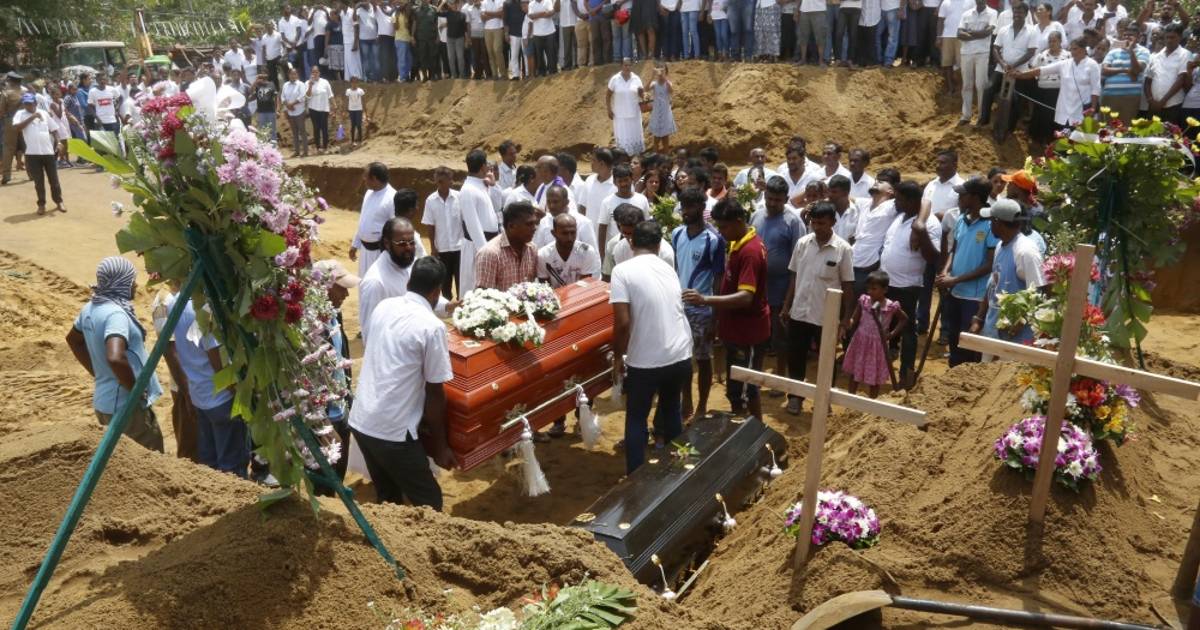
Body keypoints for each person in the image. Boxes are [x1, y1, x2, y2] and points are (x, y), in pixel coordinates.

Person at [350, 256, 458, 510]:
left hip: (361, 421)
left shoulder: (384, 307)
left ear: (409, 283)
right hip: (393, 432)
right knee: (430, 503)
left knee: (388, 499)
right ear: (437, 292)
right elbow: (435, 391)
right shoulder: (432, 327)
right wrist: (441, 447)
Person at [611, 220, 693, 473]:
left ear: (631, 243)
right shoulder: (668, 268)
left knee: (636, 417)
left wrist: (617, 357)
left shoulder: (622, 271)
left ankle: (635, 477)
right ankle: (680, 469)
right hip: (680, 354)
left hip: (646, 361)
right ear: (659, 245)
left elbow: (622, 323)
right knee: (672, 410)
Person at [65, 257, 165, 452]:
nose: (135, 285)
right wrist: (136, 390)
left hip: (104, 402)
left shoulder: (90, 308)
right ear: (121, 282)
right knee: (148, 459)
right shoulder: (115, 315)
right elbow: (115, 357)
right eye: (131, 280)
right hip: (125, 406)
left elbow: (73, 340)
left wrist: (99, 372)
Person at [683, 197, 770, 418]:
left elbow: (745, 297)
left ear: (739, 221)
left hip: (748, 334)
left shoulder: (750, 252)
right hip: (735, 331)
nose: (721, 233)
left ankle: (755, 434)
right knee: (735, 391)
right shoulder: (738, 244)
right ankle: (742, 431)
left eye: (724, 227)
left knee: (746, 390)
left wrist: (705, 300)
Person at [778, 201, 854, 413]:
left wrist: (845, 319)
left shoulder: (843, 249)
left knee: (826, 359)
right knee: (796, 356)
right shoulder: (802, 244)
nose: (817, 227)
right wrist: (786, 305)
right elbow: (794, 277)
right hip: (800, 311)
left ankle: (825, 400)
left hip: (825, 315)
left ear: (832, 222)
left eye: (822, 223)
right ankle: (795, 397)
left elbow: (848, 285)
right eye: (814, 223)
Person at [172, 297, 249, 477]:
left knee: (209, 464)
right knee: (232, 466)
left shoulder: (175, 301)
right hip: (220, 397)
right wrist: (234, 389)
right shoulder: (204, 308)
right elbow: (216, 356)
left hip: (199, 394)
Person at [669, 187, 725, 421]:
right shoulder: (676, 234)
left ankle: (702, 405)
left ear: (702, 208)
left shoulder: (714, 240)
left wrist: (715, 318)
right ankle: (687, 402)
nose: (685, 211)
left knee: (703, 359)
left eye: (690, 207)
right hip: (678, 308)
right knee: (682, 359)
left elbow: (719, 279)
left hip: (702, 310)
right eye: (683, 206)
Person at [879, 180, 941, 387]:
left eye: (899, 199)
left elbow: (933, 257)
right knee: (882, 325)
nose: (895, 203)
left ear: (911, 201)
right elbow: (926, 201)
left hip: (906, 286)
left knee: (907, 329)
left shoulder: (929, 224)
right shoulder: (901, 216)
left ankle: (906, 373)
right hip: (887, 281)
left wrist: (921, 231)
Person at [750, 176, 804, 393]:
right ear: (765, 195)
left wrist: (790, 298)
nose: (772, 203)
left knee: (780, 337)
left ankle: (780, 380)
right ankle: (755, 376)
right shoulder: (756, 216)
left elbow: (798, 262)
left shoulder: (793, 222)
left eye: (778, 200)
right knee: (757, 336)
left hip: (781, 288)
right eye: (770, 198)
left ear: (786, 199)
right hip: (756, 287)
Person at [935, 176, 996, 366]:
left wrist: (955, 280)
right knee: (953, 339)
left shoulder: (990, 224)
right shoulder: (961, 219)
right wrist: (946, 272)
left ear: (975, 197)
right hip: (955, 292)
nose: (959, 198)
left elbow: (989, 265)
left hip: (975, 297)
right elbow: (955, 250)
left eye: (963, 195)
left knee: (968, 343)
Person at [360, 217, 451, 341]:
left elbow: (423, 297)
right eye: (402, 243)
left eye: (412, 242)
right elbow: (370, 334)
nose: (408, 248)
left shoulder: (409, 262)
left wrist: (448, 306)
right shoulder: (375, 282)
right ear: (387, 243)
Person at [970, 199, 1046, 346]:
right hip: (993, 332)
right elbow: (993, 285)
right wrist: (979, 318)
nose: (989, 225)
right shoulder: (1000, 245)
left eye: (991, 221)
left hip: (1016, 340)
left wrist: (1019, 322)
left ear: (998, 222)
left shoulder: (1025, 251)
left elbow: (1040, 292)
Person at [1007, 35, 1101, 129]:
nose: (1072, 52)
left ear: (1083, 49)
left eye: (1075, 49)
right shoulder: (1065, 64)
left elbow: (1095, 89)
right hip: (1065, 108)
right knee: (1062, 135)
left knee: (1080, 135)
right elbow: (1041, 70)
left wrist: (1092, 108)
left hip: (1082, 108)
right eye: (1071, 49)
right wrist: (1019, 75)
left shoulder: (1092, 65)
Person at [843, 270, 907, 397]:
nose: (870, 292)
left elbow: (904, 319)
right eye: (868, 288)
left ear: (885, 290)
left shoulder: (890, 306)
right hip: (860, 342)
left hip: (877, 346)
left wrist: (892, 334)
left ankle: (872, 401)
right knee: (855, 373)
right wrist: (847, 324)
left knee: (874, 377)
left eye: (874, 289)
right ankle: (850, 398)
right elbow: (854, 319)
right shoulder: (864, 301)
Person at [978, 2, 1037, 130]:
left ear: (1026, 14)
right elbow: (995, 48)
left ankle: (1010, 128)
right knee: (988, 89)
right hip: (1001, 69)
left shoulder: (1032, 31)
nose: (1017, 14)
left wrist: (1014, 65)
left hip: (1020, 72)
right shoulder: (1004, 29)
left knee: (1016, 99)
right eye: (1015, 12)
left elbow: (1031, 52)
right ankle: (984, 120)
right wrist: (1003, 63)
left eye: (1020, 12)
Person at [12, 93, 65, 215]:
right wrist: (32, 117)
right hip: (32, 153)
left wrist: (59, 142)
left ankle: (59, 201)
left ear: (35, 103)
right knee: (38, 182)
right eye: (26, 104)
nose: (28, 106)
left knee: (54, 180)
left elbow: (54, 129)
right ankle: (41, 204)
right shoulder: (20, 114)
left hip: (48, 152)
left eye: (30, 103)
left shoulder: (44, 113)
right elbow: (17, 128)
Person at [458, 149, 501, 293]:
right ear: (483, 166)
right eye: (487, 163)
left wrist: (493, 185)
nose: (489, 166)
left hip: (491, 243)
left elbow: (497, 206)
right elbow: (472, 224)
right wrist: (485, 251)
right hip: (477, 246)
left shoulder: (482, 184)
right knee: (475, 288)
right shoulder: (468, 189)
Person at [474, 200, 539, 290]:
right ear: (511, 226)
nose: (534, 228)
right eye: (529, 224)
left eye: (535, 223)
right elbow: (484, 295)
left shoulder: (532, 249)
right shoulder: (490, 254)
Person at [422, 167, 463, 298]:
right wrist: (433, 248)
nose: (440, 183)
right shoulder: (430, 200)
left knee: (461, 282)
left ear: (450, 181)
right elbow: (430, 225)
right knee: (445, 284)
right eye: (438, 181)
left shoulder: (459, 197)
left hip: (460, 248)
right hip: (442, 249)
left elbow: (466, 221)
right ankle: (447, 307)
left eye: (443, 181)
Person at [351, 162, 398, 277]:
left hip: (380, 253)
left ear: (375, 178)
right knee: (364, 282)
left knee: (377, 283)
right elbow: (363, 220)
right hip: (364, 251)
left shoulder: (392, 197)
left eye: (366, 176)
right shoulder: (368, 193)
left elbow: (396, 228)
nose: (364, 179)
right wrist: (355, 244)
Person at [957, 0, 998, 125]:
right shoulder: (966, 14)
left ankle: (981, 116)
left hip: (982, 53)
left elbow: (988, 32)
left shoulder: (992, 13)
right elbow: (959, 34)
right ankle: (966, 116)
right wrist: (979, 34)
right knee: (966, 85)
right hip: (966, 52)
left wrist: (969, 32)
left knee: (981, 85)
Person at [1100, 21, 1150, 121]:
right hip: (1110, 95)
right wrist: (1126, 70)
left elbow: (1137, 70)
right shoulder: (1113, 51)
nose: (1127, 37)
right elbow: (1104, 70)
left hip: (1130, 96)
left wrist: (1131, 51)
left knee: (1126, 126)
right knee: (1107, 126)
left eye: (1131, 35)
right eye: (1125, 35)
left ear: (1138, 37)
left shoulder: (1143, 51)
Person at [1143, 22, 1189, 124]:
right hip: (1153, 105)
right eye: (1167, 37)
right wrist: (1150, 101)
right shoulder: (1156, 56)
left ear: (1180, 37)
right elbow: (1148, 80)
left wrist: (1163, 101)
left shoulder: (1185, 54)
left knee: (1169, 133)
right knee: (1150, 133)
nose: (1169, 40)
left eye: (1173, 37)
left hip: (1173, 105)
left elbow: (1181, 80)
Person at [597, 163, 650, 246]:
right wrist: (601, 251)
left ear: (632, 179)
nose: (623, 184)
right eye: (620, 181)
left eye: (626, 180)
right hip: (614, 247)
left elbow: (646, 224)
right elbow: (602, 228)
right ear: (614, 182)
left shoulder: (642, 199)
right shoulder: (607, 202)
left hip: (638, 246)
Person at [534, 185, 598, 249]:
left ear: (567, 202)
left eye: (555, 202)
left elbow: (593, 252)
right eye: (548, 202)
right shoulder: (544, 222)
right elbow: (538, 249)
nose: (551, 206)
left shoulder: (584, 223)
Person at [607, 58, 646, 155]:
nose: (627, 67)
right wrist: (609, 109)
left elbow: (642, 94)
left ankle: (635, 157)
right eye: (625, 65)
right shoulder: (615, 79)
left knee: (635, 136)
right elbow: (608, 95)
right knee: (623, 138)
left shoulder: (636, 79)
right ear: (621, 66)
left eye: (629, 65)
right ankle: (623, 157)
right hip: (620, 115)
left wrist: (644, 95)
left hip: (634, 114)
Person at [648, 64, 677, 152]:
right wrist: (652, 76)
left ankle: (666, 157)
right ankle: (655, 157)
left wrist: (664, 78)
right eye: (659, 70)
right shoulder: (654, 84)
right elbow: (646, 89)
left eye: (662, 71)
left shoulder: (668, 83)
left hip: (665, 114)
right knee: (656, 139)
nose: (660, 73)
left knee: (665, 139)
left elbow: (671, 91)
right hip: (656, 113)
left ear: (666, 72)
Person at [282, 68, 309, 157]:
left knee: (302, 131)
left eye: (294, 74)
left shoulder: (301, 84)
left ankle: (305, 151)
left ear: (297, 75)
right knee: (294, 132)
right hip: (290, 112)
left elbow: (302, 97)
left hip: (299, 111)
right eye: (291, 74)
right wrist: (288, 105)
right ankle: (297, 151)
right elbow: (282, 97)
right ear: (288, 75)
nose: (293, 76)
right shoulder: (285, 85)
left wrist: (292, 104)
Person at [306, 67, 334, 153]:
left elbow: (330, 95)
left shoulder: (325, 82)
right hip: (313, 109)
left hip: (324, 109)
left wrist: (334, 105)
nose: (315, 74)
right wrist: (310, 85)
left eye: (316, 72)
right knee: (316, 128)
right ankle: (318, 147)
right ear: (311, 73)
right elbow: (307, 96)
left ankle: (325, 147)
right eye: (313, 72)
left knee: (324, 128)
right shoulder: (307, 82)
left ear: (319, 72)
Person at [252, 73, 279, 142]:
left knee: (272, 129)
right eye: (261, 74)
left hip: (271, 110)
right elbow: (251, 91)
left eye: (264, 73)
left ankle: (273, 145)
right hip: (261, 111)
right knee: (262, 130)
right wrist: (255, 81)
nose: (263, 76)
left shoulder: (271, 84)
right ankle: (264, 145)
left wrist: (277, 109)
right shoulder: (257, 85)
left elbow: (276, 97)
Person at [346, 75, 366, 145]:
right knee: (353, 125)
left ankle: (360, 140)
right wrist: (345, 110)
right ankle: (352, 141)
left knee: (358, 124)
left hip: (359, 109)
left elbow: (363, 101)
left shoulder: (360, 91)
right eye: (353, 82)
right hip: (351, 110)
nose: (354, 83)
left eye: (356, 82)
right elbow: (347, 101)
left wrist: (365, 111)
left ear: (357, 82)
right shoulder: (348, 91)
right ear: (350, 82)